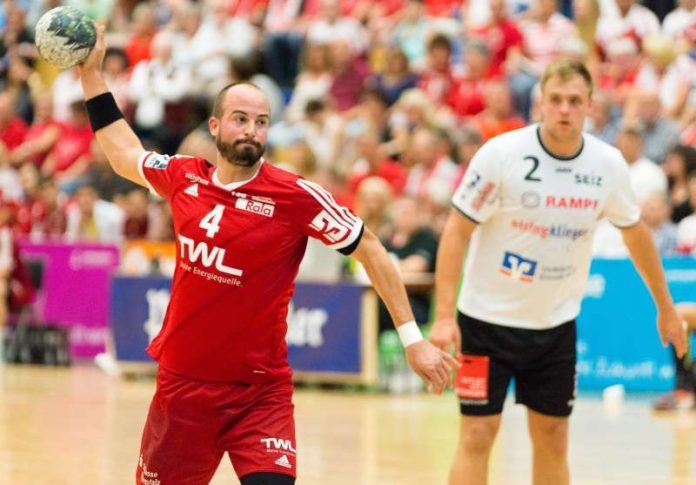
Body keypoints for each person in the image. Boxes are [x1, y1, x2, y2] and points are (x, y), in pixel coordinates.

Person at [78, 26, 457, 485]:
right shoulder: (184, 177)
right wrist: (92, 77)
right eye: (240, 119)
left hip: (260, 394)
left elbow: (372, 250)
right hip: (183, 389)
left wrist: (413, 339)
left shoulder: (295, 196)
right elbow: (123, 153)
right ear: (215, 126)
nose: (251, 131)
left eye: (260, 122)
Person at [429, 59, 688, 485]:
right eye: (555, 100)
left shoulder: (606, 165)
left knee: (553, 437)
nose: (564, 109)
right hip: (484, 324)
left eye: (574, 101)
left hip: (554, 329)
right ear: (540, 104)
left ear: (589, 105)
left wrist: (664, 307)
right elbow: (456, 232)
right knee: (477, 434)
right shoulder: (501, 154)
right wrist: (442, 316)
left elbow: (636, 234)